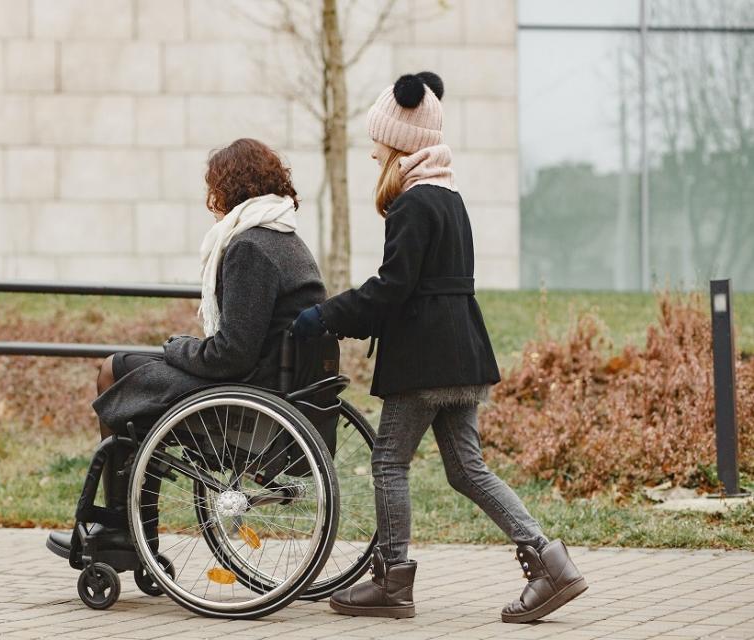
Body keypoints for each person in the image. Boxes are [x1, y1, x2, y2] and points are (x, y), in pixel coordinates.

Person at [291, 72, 587, 623]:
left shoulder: (413, 203)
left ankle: (391, 582)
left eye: (378, 139)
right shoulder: (449, 198)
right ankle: (550, 563)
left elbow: (391, 289)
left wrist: (325, 316)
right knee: (467, 469)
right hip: (462, 350)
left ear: (400, 141)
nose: (372, 149)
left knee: (388, 462)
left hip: (425, 357)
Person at [47, 138, 327, 558]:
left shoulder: (250, 246)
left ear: (228, 187)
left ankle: (124, 529)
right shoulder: (286, 238)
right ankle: (131, 529)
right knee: (127, 369)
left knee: (113, 370)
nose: (210, 200)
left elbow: (231, 355)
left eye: (213, 187)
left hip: (247, 396)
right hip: (272, 386)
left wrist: (178, 348)